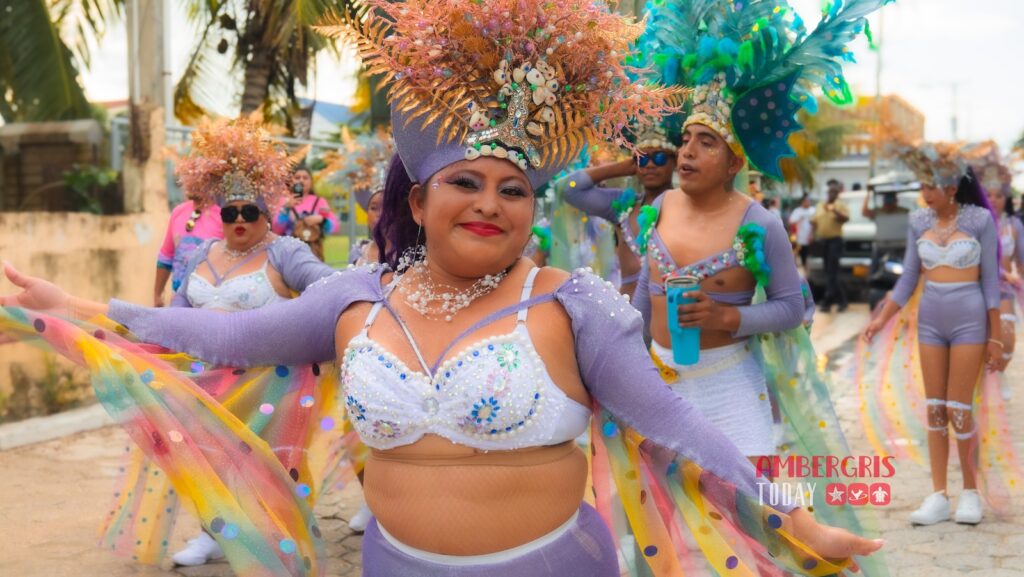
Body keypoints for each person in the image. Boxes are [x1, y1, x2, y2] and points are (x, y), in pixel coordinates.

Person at [1, 1, 884, 575]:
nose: (492, 204)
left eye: (514, 187)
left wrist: (796, 525)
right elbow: (215, 339)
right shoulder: (353, 299)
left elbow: (678, 422)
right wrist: (71, 309)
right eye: (467, 183)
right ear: (419, 199)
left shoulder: (574, 304)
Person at [863, 143, 1003, 526]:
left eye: (931, 186)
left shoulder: (979, 221)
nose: (925, 193)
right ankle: (939, 494)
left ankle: (970, 493)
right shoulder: (918, 221)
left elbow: (991, 282)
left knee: (960, 408)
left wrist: (995, 335)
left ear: (952, 188)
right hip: (930, 321)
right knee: (936, 408)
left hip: (970, 321)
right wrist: (881, 319)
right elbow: (909, 277)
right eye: (922, 185)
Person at [560, 125, 678, 296]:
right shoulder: (624, 207)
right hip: (633, 317)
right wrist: (622, 168)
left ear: (674, 161)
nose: (650, 164)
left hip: (672, 315)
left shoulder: (689, 207)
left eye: (659, 158)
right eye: (642, 159)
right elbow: (569, 189)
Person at [154, 194, 222, 306]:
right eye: (184, 175)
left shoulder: (224, 216)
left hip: (208, 305)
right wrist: (158, 295)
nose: (184, 180)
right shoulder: (178, 212)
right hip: (178, 305)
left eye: (193, 175)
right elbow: (166, 256)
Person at [273, 164, 341, 260]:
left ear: (311, 182)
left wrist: (321, 220)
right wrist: (286, 209)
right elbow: (277, 229)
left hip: (313, 253)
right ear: (291, 181)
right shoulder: (284, 201)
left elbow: (335, 228)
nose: (301, 180)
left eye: (305, 178)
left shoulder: (320, 202)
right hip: (289, 254)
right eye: (297, 177)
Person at [813, 179, 850, 312]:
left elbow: (846, 218)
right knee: (828, 272)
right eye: (830, 192)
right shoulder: (820, 205)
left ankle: (827, 301)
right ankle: (841, 300)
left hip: (835, 240)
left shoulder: (840, 205)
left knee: (832, 271)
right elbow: (814, 221)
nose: (832, 194)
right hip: (823, 241)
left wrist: (834, 211)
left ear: (838, 193)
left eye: (835, 192)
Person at [789, 194, 816, 269]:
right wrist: (799, 219)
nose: (808, 203)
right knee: (800, 253)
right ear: (802, 202)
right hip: (800, 237)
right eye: (806, 201)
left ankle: (807, 267)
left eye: (809, 201)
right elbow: (791, 221)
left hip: (810, 236)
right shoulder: (797, 211)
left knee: (809, 254)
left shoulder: (813, 210)